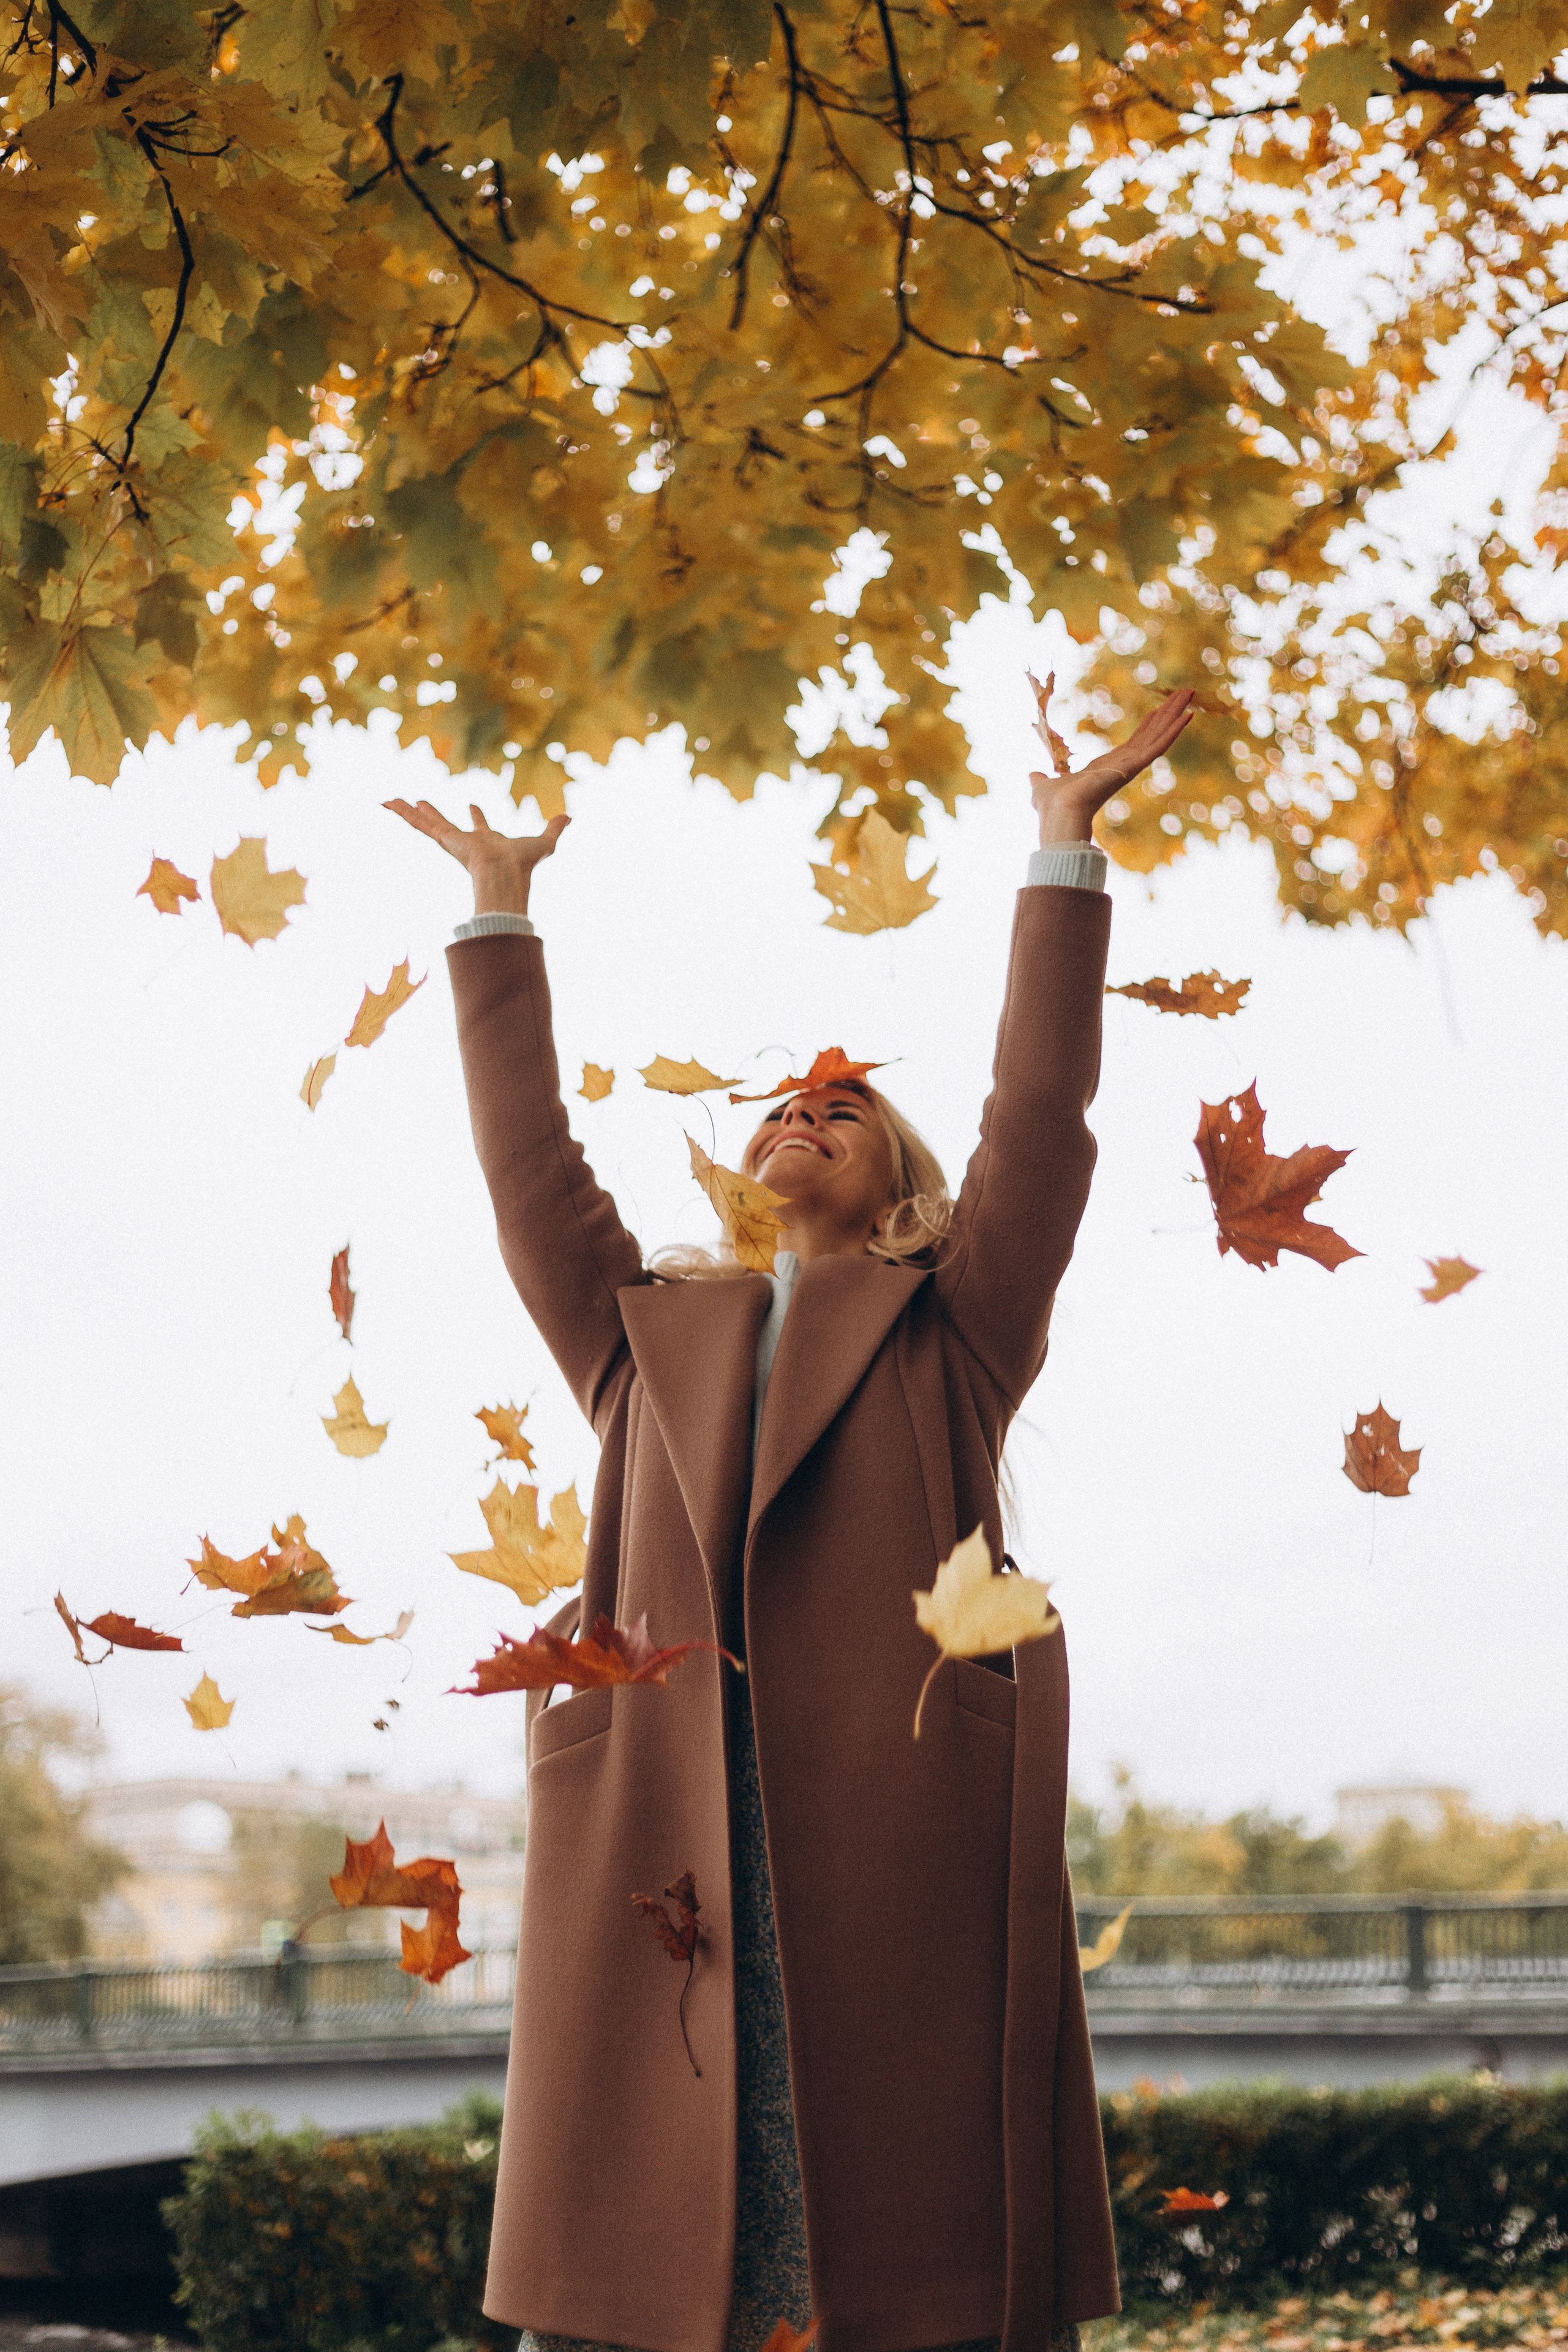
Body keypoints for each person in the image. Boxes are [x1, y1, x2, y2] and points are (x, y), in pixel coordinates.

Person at [386, 680, 1194, 2352]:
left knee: (893, 2244)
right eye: (778, 1105)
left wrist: (1062, 852)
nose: (801, 1111)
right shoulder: (642, 1338)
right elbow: (530, 1174)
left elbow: (1039, 1124)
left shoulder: (954, 1326)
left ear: (904, 1180)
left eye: (842, 1106)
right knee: (647, 2220)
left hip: (892, 1816)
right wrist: (497, 914)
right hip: (668, 1815)